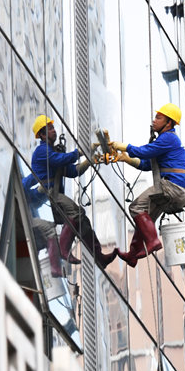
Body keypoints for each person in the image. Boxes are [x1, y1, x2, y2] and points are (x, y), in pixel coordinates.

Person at [110, 103, 185, 267]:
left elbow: (144, 152)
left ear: (169, 123)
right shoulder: (163, 141)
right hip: (176, 191)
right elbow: (146, 164)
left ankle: (153, 241)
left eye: (159, 118)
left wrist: (123, 146)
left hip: (173, 188)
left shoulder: (169, 138)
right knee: (145, 218)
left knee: (136, 208)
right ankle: (133, 255)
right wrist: (126, 158)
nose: (154, 121)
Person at [31, 115, 117, 269]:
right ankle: (62, 249)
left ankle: (99, 257)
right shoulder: (42, 151)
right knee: (77, 213)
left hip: (53, 197)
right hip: (46, 195)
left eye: (53, 127)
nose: (53, 131)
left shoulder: (54, 152)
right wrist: (81, 152)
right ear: (42, 135)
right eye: (49, 129)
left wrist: (91, 160)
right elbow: (60, 160)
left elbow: (73, 171)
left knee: (83, 221)